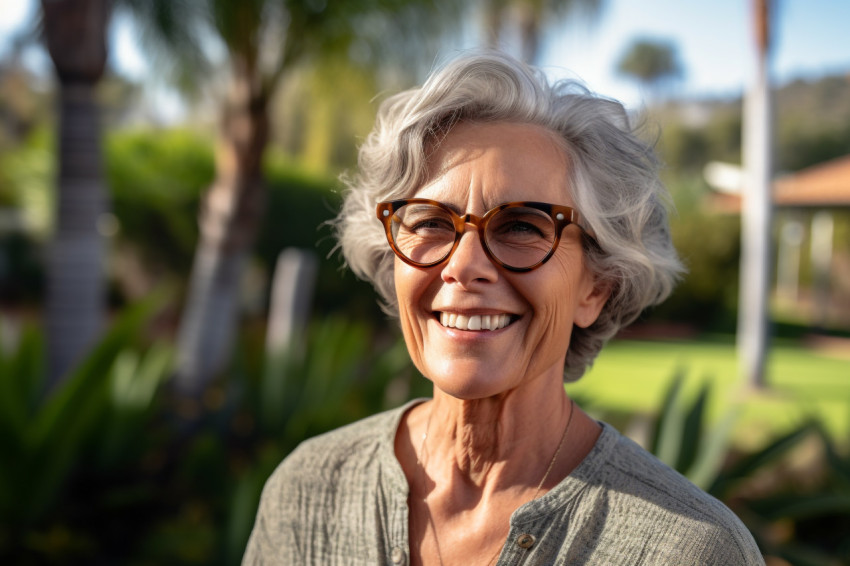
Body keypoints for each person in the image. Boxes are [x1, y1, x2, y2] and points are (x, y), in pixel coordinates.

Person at [242, 51, 764, 565]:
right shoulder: (308, 494)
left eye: (520, 226)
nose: (464, 266)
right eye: (429, 222)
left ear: (596, 287)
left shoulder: (689, 549)